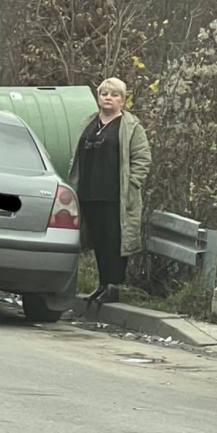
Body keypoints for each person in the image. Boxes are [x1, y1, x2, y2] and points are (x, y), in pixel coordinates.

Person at [70, 77, 151, 305]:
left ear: (122, 100)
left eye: (114, 94)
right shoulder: (89, 123)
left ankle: (115, 286)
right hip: (88, 193)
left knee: (114, 241)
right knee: (98, 240)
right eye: (104, 93)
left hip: (116, 197)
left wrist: (131, 183)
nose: (108, 98)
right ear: (98, 97)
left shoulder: (130, 127)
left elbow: (142, 159)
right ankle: (103, 284)